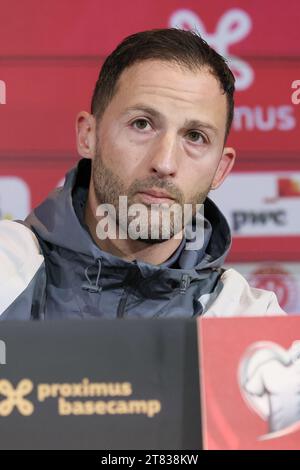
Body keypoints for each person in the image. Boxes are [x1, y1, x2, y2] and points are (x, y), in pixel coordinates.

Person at [0, 28, 285, 320]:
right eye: (141, 124)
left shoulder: (249, 322)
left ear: (221, 169)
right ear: (89, 136)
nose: (164, 163)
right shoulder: (6, 271)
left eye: (195, 137)